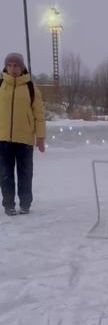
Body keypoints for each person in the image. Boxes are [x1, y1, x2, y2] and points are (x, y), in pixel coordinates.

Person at [0, 52, 45, 216]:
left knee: (25, 174)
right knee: (5, 174)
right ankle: (8, 204)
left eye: (16, 65)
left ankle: (25, 203)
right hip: (3, 139)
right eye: (10, 65)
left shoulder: (31, 88)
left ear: (22, 67)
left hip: (25, 140)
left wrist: (40, 137)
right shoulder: (1, 86)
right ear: (5, 66)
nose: (13, 69)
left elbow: (39, 115)